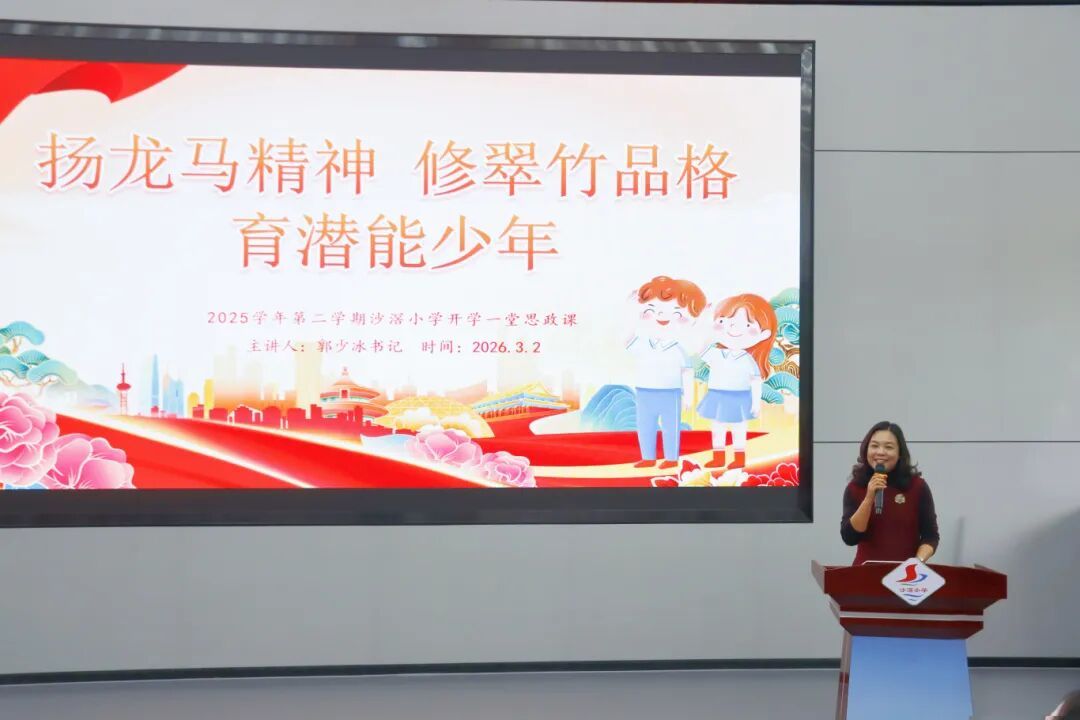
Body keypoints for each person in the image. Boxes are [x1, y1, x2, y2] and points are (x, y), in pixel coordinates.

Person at [625, 275, 706, 470]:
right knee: (645, 425)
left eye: (676, 313)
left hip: (671, 393)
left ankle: (671, 458)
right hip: (644, 391)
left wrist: (688, 397)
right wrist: (631, 312)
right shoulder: (643, 343)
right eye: (651, 310)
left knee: (671, 426)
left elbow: (687, 372)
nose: (662, 315)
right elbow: (627, 340)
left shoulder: (678, 349)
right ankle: (648, 457)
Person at [695, 293, 777, 470]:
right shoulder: (716, 354)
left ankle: (739, 458)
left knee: (738, 429)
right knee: (717, 428)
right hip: (717, 396)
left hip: (739, 398)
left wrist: (756, 403)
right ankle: (718, 457)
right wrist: (705, 320)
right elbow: (700, 348)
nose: (733, 328)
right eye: (724, 321)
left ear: (764, 334)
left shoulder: (747, 359)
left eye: (747, 325)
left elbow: (755, 382)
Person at [841, 421, 940, 565]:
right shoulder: (855, 488)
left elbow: (930, 536)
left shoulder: (917, 487)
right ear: (866, 450)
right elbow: (850, 538)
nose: (880, 452)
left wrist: (917, 563)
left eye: (888, 447)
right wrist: (869, 498)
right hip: (865, 573)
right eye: (874, 446)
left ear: (900, 453)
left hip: (906, 574)